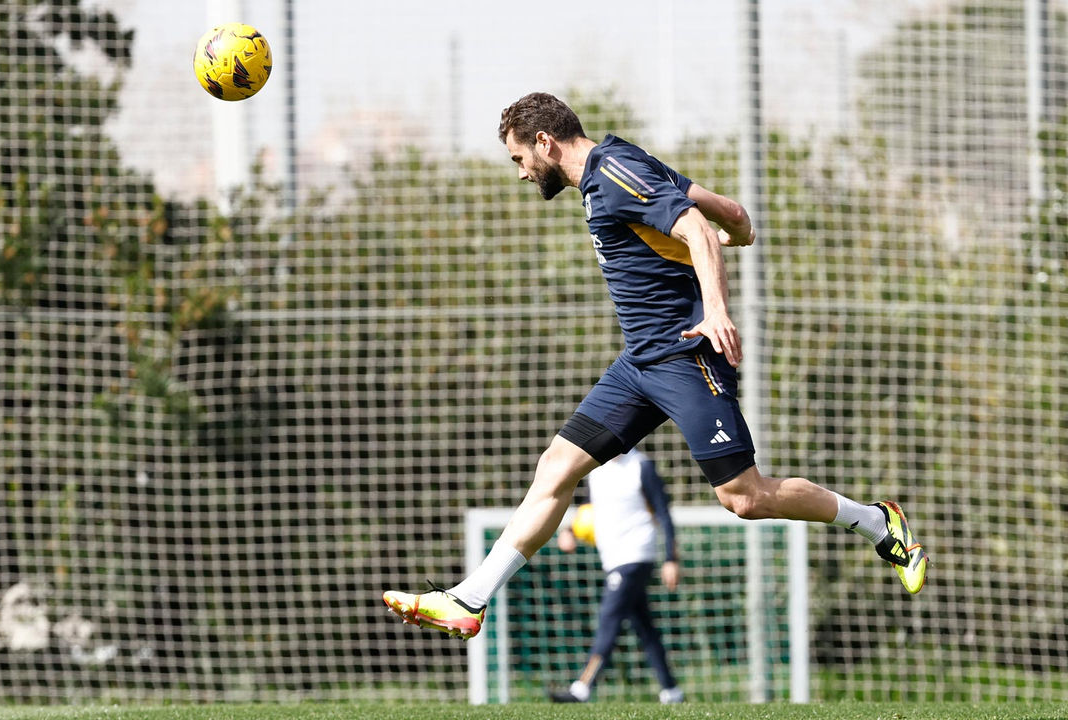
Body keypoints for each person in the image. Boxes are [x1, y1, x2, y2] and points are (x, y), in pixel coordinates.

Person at [383, 91, 927, 642]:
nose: (522, 173)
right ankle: (469, 599)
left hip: (686, 356)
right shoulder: (621, 161)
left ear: (544, 142)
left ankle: (876, 522)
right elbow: (732, 214)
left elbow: (692, 226)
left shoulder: (614, 174)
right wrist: (736, 231)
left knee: (744, 498)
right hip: (639, 361)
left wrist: (715, 309)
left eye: (519, 158)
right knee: (557, 466)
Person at [548, 448, 684, 705]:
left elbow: (664, 514)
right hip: (612, 559)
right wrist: (570, 531)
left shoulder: (641, 466)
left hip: (636, 555)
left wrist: (671, 559)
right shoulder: (596, 471)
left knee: (609, 619)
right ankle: (671, 691)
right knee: (644, 627)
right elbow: (588, 510)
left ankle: (582, 688)